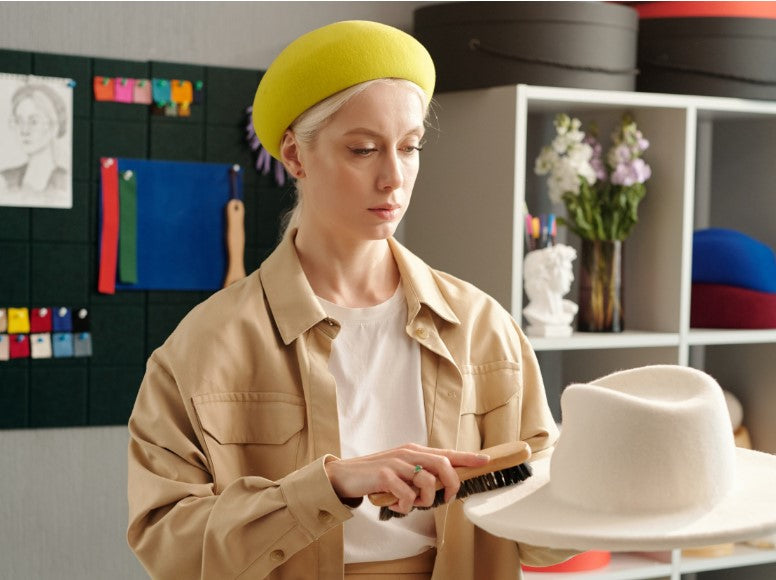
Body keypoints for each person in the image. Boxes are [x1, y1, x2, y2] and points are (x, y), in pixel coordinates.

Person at [127, 20, 573, 579]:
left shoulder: (483, 327)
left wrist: (602, 478)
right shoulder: (202, 347)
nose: (393, 178)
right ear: (296, 156)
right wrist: (329, 485)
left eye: (409, 148)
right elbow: (167, 544)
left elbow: (544, 542)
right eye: (363, 149)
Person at [0, 82, 69, 199]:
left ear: (54, 126)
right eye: (18, 121)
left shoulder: (65, 181)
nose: (24, 130)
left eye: (34, 122)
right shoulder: (5, 179)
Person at [522, 244, 578, 336]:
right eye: (567, 270)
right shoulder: (534, 314)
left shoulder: (567, 311)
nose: (571, 277)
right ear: (546, 273)